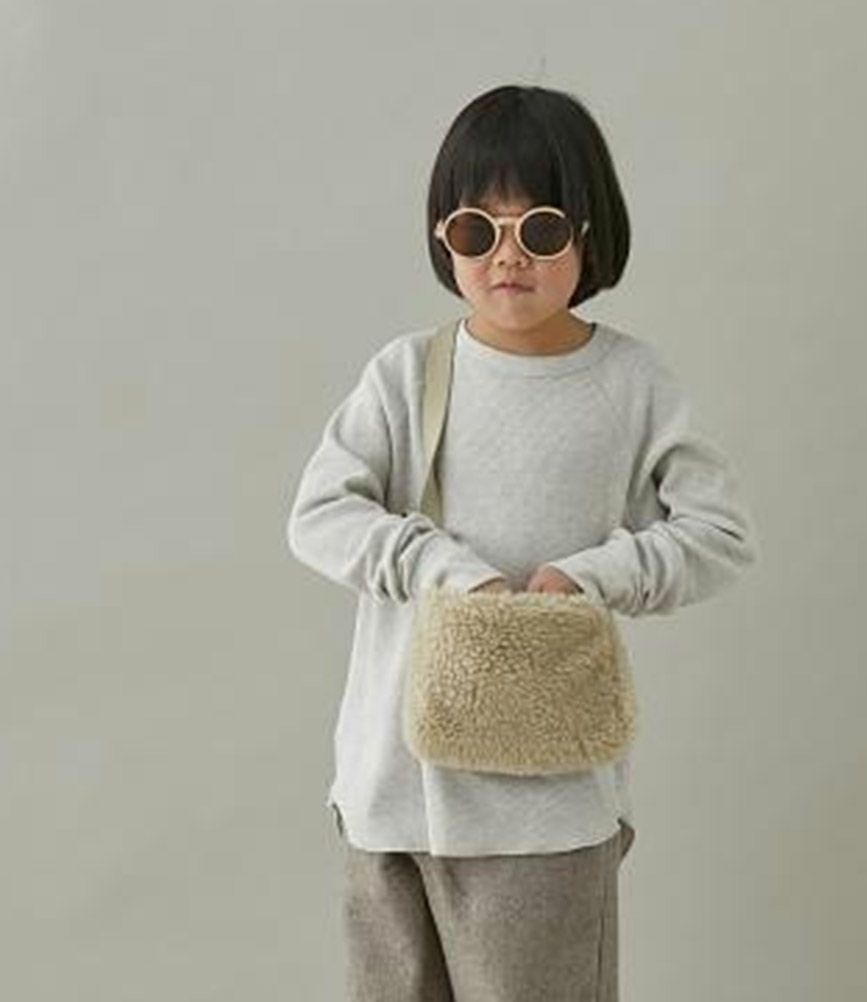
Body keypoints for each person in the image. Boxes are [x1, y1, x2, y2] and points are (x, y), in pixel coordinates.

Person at [285, 83, 759, 1002]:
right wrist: (441, 568)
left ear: (590, 233)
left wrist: (592, 578)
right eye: (476, 230)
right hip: (388, 792)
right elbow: (319, 514)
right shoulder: (406, 374)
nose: (507, 255)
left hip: (545, 812)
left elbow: (720, 533)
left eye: (539, 229)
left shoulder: (629, 382)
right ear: (444, 239)